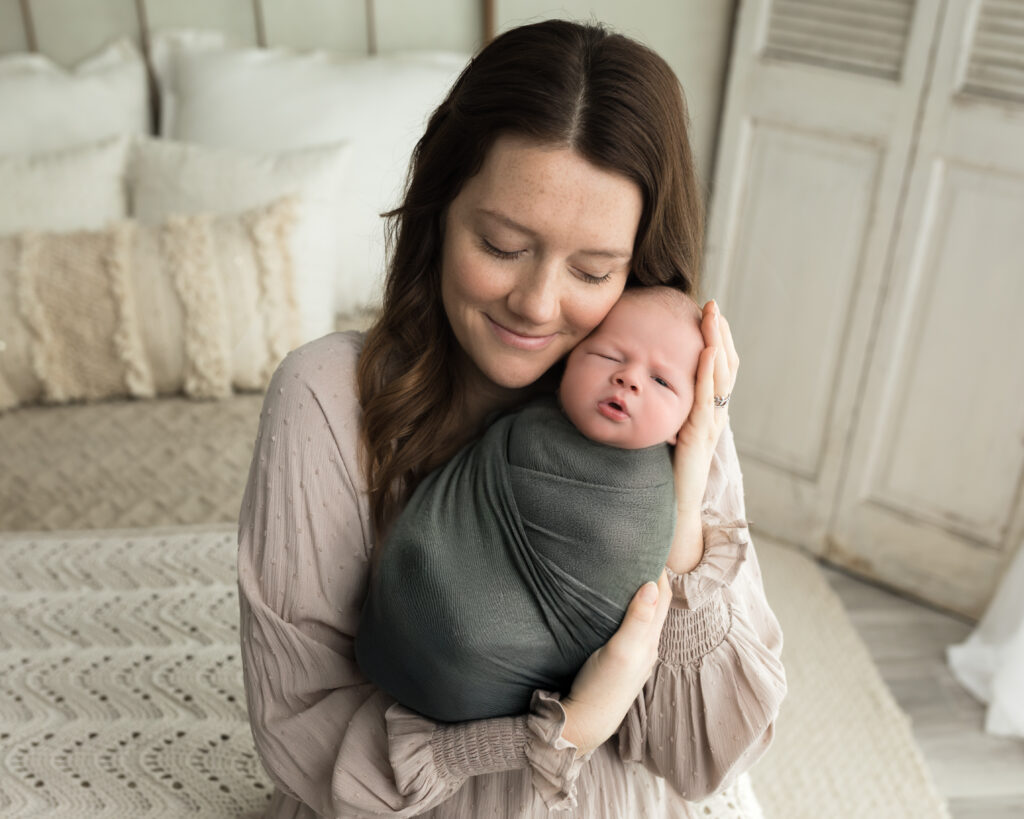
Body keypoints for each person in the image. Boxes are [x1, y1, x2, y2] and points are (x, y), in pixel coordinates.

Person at [237, 18, 786, 818]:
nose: (535, 304)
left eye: (594, 270)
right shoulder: (325, 398)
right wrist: (562, 731)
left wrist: (690, 484)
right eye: (500, 245)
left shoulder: (657, 402)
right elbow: (301, 742)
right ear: (438, 214)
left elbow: (707, 755)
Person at [355, 287, 707, 724]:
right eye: (610, 356)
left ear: (685, 422)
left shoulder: (649, 500)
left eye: (661, 381)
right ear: (568, 362)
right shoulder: (534, 419)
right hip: (407, 594)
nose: (629, 378)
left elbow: (613, 602)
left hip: (485, 669)